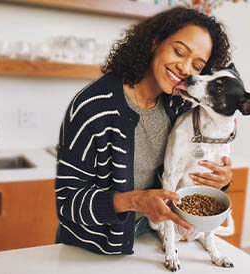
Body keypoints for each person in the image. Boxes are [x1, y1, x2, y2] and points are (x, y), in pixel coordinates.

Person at [55, 6, 233, 255]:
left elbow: (193, 163)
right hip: (95, 246)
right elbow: (67, 202)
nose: (185, 68)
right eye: (179, 51)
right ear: (155, 43)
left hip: (153, 239)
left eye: (198, 65)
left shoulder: (180, 105)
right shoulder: (93, 106)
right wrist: (135, 200)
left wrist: (220, 180)